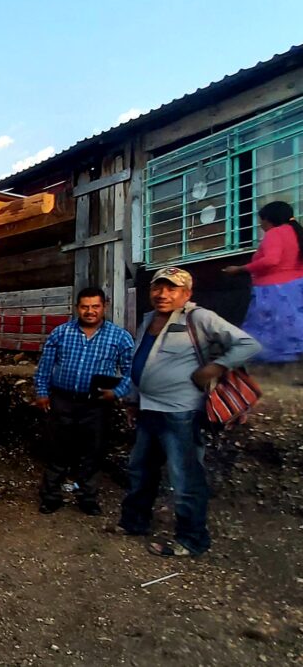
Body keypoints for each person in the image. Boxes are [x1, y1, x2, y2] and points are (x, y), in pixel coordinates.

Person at [118, 267, 260, 557]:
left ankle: (192, 540)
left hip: (181, 413)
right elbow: (139, 362)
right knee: (140, 471)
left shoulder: (199, 317)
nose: (162, 294)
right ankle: (134, 523)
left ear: (186, 293)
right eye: (158, 287)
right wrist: (133, 401)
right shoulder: (148, 319)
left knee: (184, 478)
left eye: (171, 288)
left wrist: (214, 367)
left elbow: (248, 343)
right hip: (148, 409)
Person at [33, 287, 134, 516]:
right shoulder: (61, 332)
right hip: (62, 400)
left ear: (104, 307)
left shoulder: (120, 337)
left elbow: (132, 372)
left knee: (93, 452)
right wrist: (41, 392)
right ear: (77, 308)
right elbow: (45, 366)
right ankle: (51, 496)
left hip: (97, 404)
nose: (90, 311)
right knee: (57, 450)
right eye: (85, 307)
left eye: (95, 306)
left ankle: (87, 498)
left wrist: (117, 392)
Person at [223, 201, 303, 364]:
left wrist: (241, 269)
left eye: (261, 220)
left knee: (269, 326)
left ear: (269, 219)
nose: (260, 224)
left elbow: (271, 260)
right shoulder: (296, 233)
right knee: (293, 323)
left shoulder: (275, 233)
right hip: (296, 286)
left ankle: (275, 360)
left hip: (274, 289)